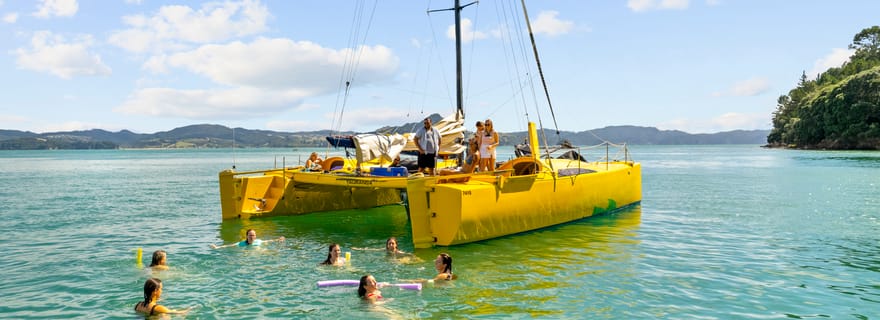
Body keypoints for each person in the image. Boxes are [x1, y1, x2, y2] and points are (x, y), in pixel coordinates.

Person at [210, 229, 285, 249]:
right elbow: (229, 246)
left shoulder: (259, 241)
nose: (252, 237)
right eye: (250, 235)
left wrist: (279, 239)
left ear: (255, 236)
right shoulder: (241, 244)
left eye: (253, 235)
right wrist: (217, 247)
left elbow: (269, 241)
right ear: (246, 236)